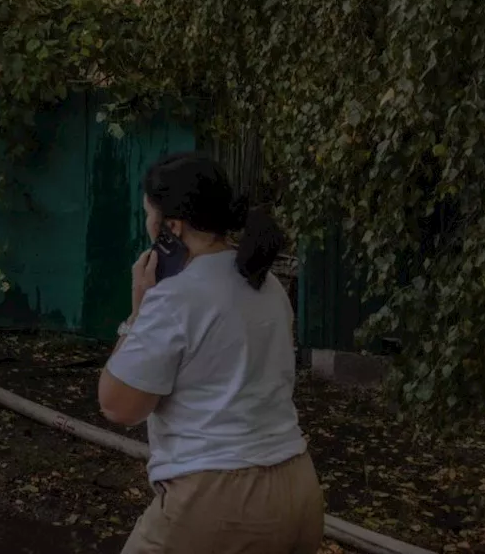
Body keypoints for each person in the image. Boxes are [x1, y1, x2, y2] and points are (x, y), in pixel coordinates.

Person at [97, 152, 324, 554]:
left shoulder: (174, 298)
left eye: (149, 217)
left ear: (171, 228)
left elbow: (118, 405)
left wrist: (137, 309)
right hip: (298, 490)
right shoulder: (269, 286)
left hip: (219, 502)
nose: (147, 227)